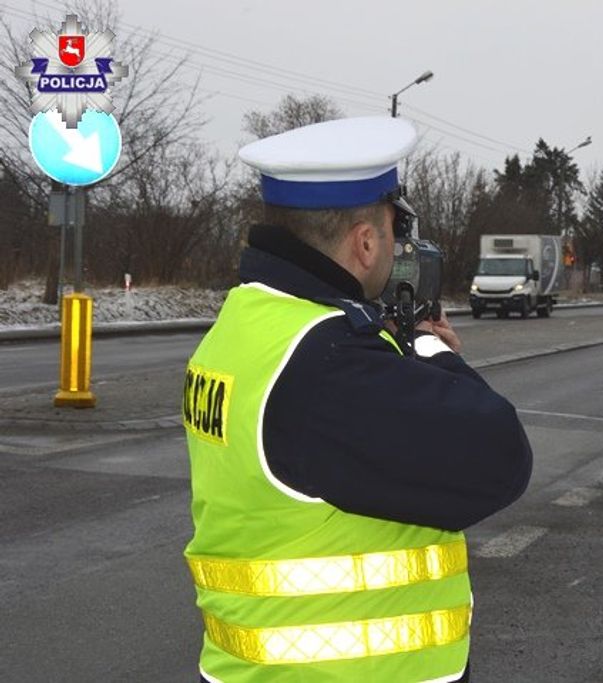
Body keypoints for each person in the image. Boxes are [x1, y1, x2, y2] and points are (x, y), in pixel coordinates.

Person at [183, 116, 533, 683]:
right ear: (366, 243)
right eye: (394, 233)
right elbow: (500, 458)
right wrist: (426, 344)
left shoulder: (248, 321)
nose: (400, 249)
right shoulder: (328, 363)